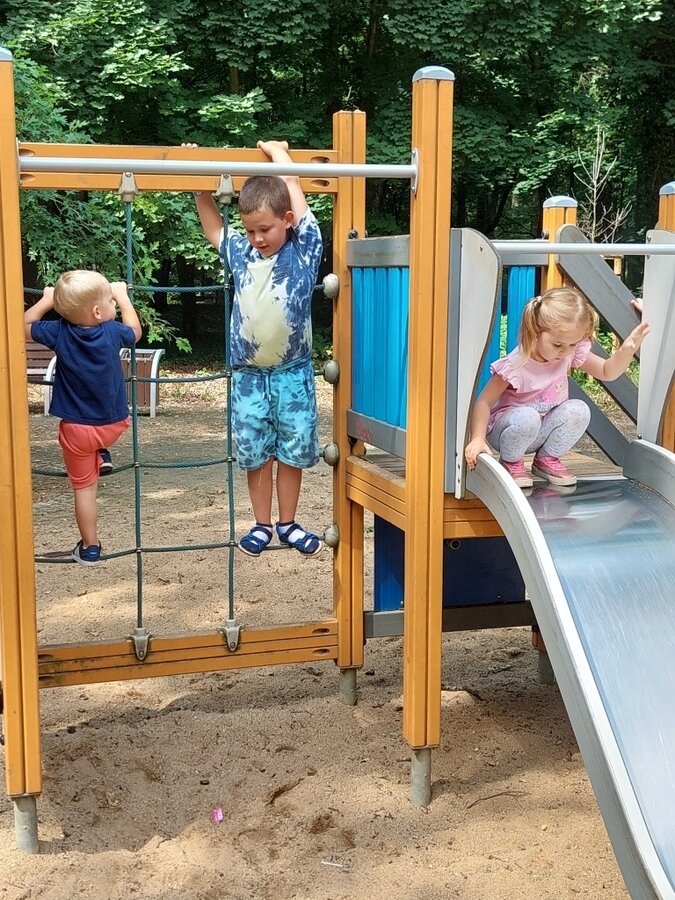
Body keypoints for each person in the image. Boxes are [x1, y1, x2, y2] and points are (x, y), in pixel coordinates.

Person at [192, 139, 324, 556]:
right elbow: (214, 228)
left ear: (287, 221)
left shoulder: (305, 250)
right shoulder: (241, 254)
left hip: (293, 373)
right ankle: (262, 524)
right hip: (248, 376)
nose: (257, 238)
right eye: (250, 230)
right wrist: (199, 186)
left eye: (265, 229)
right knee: (254, 452)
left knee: (292, 450)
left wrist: (279, 153)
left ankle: (288, 523)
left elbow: (293, 187)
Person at [465, 286, 649, 488]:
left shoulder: (569, 353)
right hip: (510, 431)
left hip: (540, 430)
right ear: (536, 331)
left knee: (579, 409)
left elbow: (607, 371)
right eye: (557, 345)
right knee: (528, 417)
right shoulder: (516, 364)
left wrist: (628, 348)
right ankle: (511, 462)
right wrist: (477, 438)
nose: (565, 351)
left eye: (573, 344)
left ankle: (546, 459)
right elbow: (484, 401)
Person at [25, 272, 142, 565]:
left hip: (76, 430)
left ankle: (90, 548)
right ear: (98, 312)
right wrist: (123, 296)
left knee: (84, 489)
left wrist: (46, 301)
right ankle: (102, 453)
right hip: (114, 424)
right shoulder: (112, 331)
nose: (113, 303)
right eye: (110, 301)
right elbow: (135, 331)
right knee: (98, 443)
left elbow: (22, 326)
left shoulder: (58, 331)